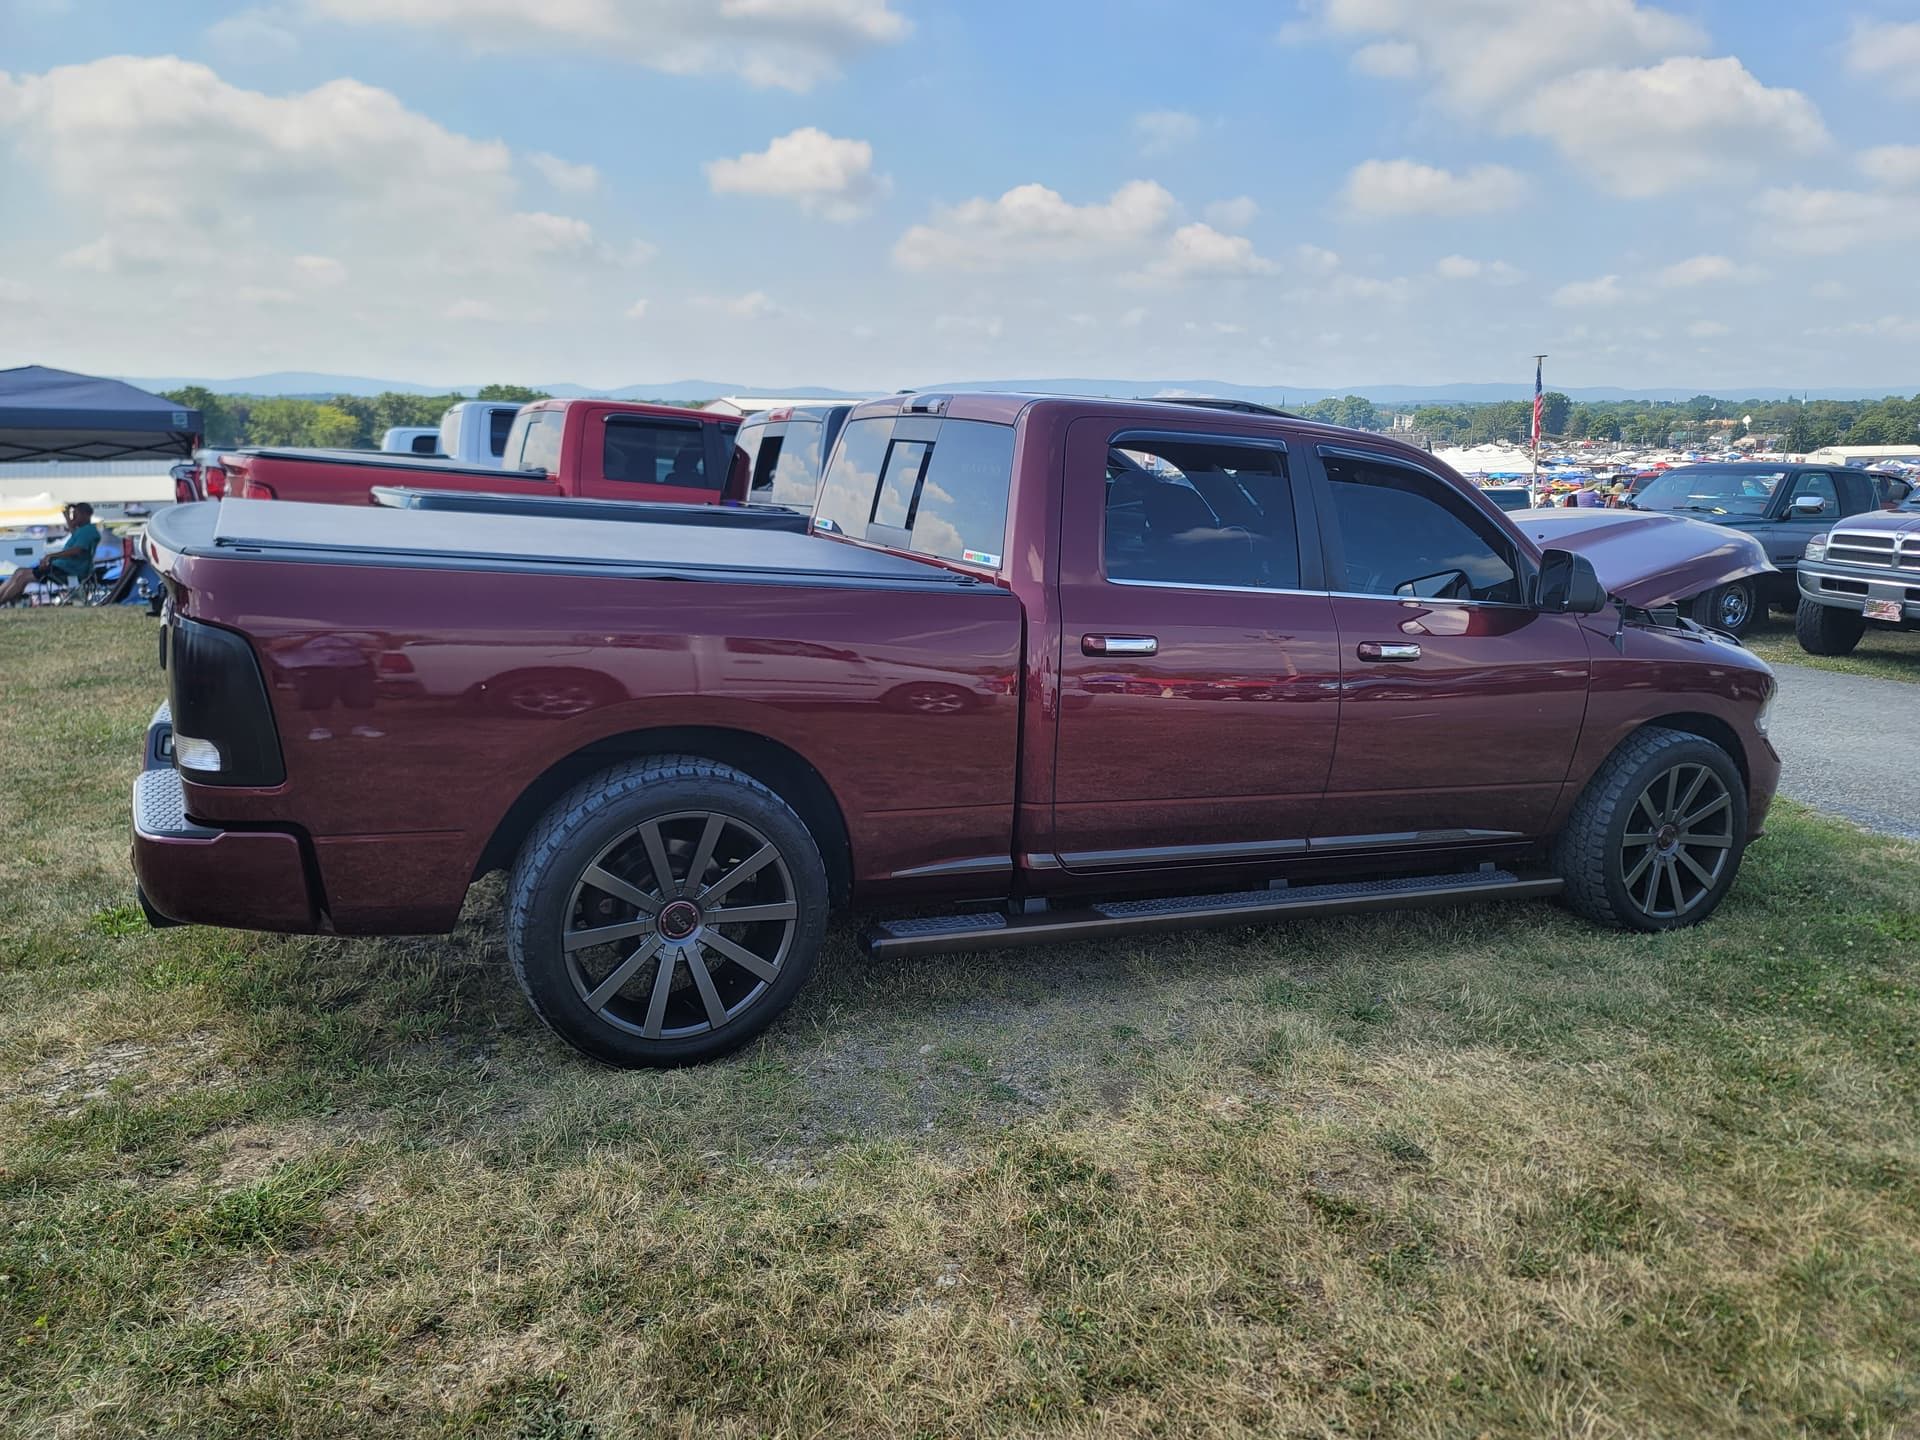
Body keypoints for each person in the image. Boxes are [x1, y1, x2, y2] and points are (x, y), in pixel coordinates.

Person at [0, 502, 102, 606]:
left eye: (76, 514)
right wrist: (67, 515)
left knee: (22, 577)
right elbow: (73, 531)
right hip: (62, 568)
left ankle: (1, 602)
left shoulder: (88, 531)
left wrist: (51, 556)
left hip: (67, 571)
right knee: (19, 572)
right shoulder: (84, 530)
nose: (73, 517)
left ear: (85, 515)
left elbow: (77, 550)